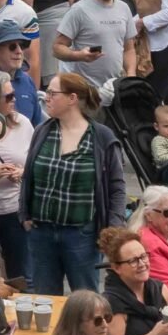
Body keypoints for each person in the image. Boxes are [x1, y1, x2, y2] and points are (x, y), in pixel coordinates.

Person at [22, 73, 122, 294]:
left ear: (72, 98)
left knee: (86, 301)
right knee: (44, 301)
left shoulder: (101, 137)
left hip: (82, 235)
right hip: (42, 232)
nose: (46, 98)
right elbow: (29, 176)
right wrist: (26, 215)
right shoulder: (43, 131)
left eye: (52, 93)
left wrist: (113, 229)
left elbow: (116, 187)